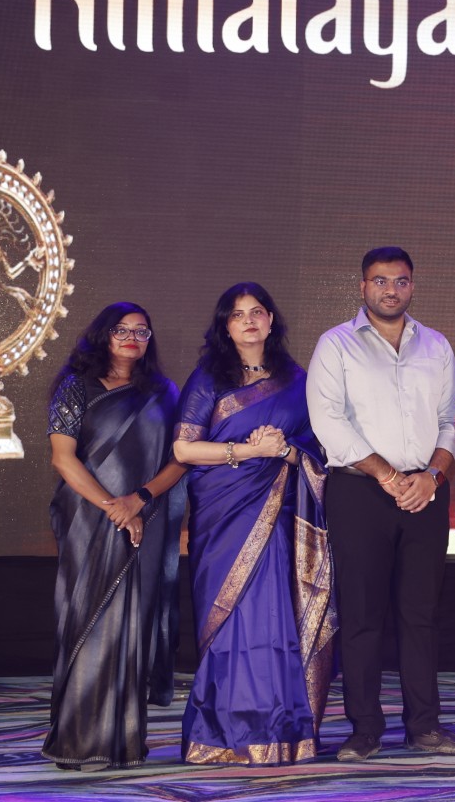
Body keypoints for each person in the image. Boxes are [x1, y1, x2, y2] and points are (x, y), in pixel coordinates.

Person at [306, 247, 455, 761]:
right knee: (362, 617)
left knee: (420, 615)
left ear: (412, 286)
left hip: (425, 494)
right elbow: (328, 421)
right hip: (359, 494)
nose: (390, 290)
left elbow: (452, 420)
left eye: (400, 281)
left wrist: (433, 475)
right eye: (380, 281)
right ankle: (364, 730)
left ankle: (424, 726)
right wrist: (387, 475)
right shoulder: (335, 345)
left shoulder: (436, 345)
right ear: (363, 287)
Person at [174, 282, 336, 765]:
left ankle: (280, 734)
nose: (248, 320)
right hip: (222, 516)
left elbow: (319, 450)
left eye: (257, 311)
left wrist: (284, 450)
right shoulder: (209, 378)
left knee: (273, 618)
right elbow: (184, 449)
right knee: (228, 620)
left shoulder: (298, 380)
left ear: (270, 321)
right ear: (225, 326)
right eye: (237, 314)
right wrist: (249, 450)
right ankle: (219, 736)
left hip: (278, 514)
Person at [44, 302, 186, 771]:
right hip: (88, 521)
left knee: (133, 625)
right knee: (85, 620)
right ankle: (76, 741)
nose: (132, 338)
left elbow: (180, 459)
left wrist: (139, 500)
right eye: (121, 330)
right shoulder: (75, 386)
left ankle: (122, 742)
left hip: (145, 519)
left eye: (141, 331)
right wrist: (114, 506)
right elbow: (63, 459)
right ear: (103, 335)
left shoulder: (164, 394)